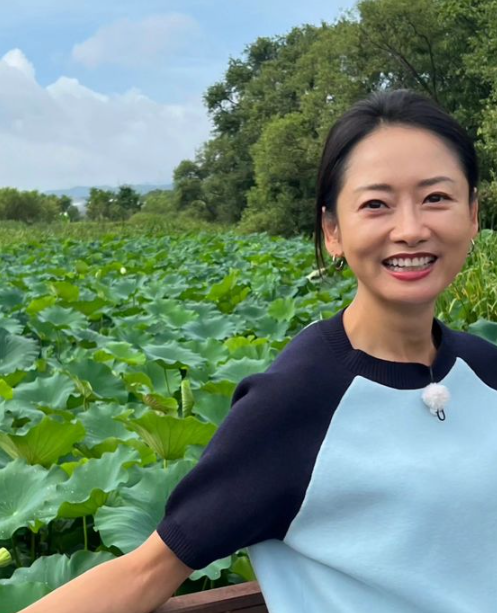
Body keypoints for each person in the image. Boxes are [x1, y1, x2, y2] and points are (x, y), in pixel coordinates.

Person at [22, 89, 497, 613]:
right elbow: (148, 570)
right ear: (333, 231)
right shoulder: (295, 401)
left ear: (472, 214)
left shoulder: (486, 368)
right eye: (376, 205)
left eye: (436, 198)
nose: (410, 229)